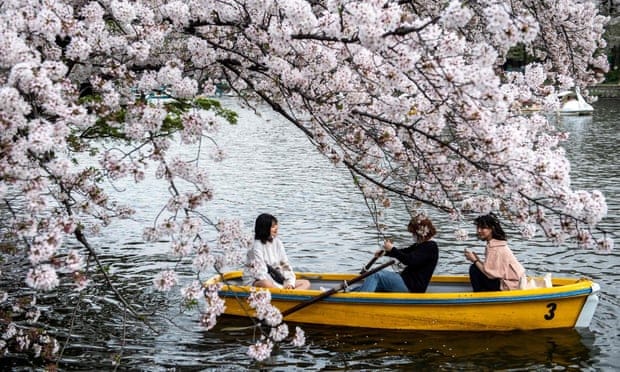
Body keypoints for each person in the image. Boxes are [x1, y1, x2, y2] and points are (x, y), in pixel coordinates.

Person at [353, 215, 439, 293]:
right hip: (405, 280)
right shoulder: (421, 244)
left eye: (413, 233)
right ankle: (350, 296)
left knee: (375, 274)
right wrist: (385, 253)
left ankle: (361, 302)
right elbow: (405, 251)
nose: (413, 236)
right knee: (364, 287)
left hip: (411, 287)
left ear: (420, 233)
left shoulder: (431, 247)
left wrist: (392, 249)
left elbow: (409, 260)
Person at [243, 213, 311, 290]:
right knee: (266, 283)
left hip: (277, 278)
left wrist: (290, 283)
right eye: (272, 226)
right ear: (264, 228)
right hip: (257, 280)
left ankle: (289, 296)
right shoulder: (255, 246)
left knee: (305, 283)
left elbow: (285, 264)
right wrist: (280, 287)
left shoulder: (277, 242)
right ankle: (285, 295)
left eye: (276, 225)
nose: (276, 228)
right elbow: (260, 272)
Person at [464, 213, 525, 292]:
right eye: (478, 227)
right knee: (476, 267)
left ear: (491, 229)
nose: (479, 231)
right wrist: (477, 260)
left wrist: (475, 261)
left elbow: (490, 275)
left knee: (474, 269)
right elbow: (491, 270)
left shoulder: (495, 248)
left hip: (509, 285)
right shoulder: (496, 243)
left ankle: (480, 298)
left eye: (483, 228)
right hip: (512, 282)